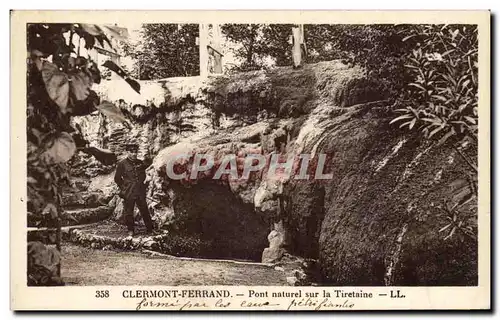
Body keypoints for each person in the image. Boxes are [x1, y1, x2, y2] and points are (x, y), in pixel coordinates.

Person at [114, 143, 154, 236]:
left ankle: (150, 229)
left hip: (140, 191)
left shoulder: (140, 162)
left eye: (135, 152)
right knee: (129, 211)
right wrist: (124, 188)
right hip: (129, 191)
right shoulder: (122, 164)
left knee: (144, 210)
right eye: (131, 152)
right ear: (127, 152)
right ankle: (130, 230)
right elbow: (117, 179)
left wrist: (143, 184)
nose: (134, 154)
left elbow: (146, 167)